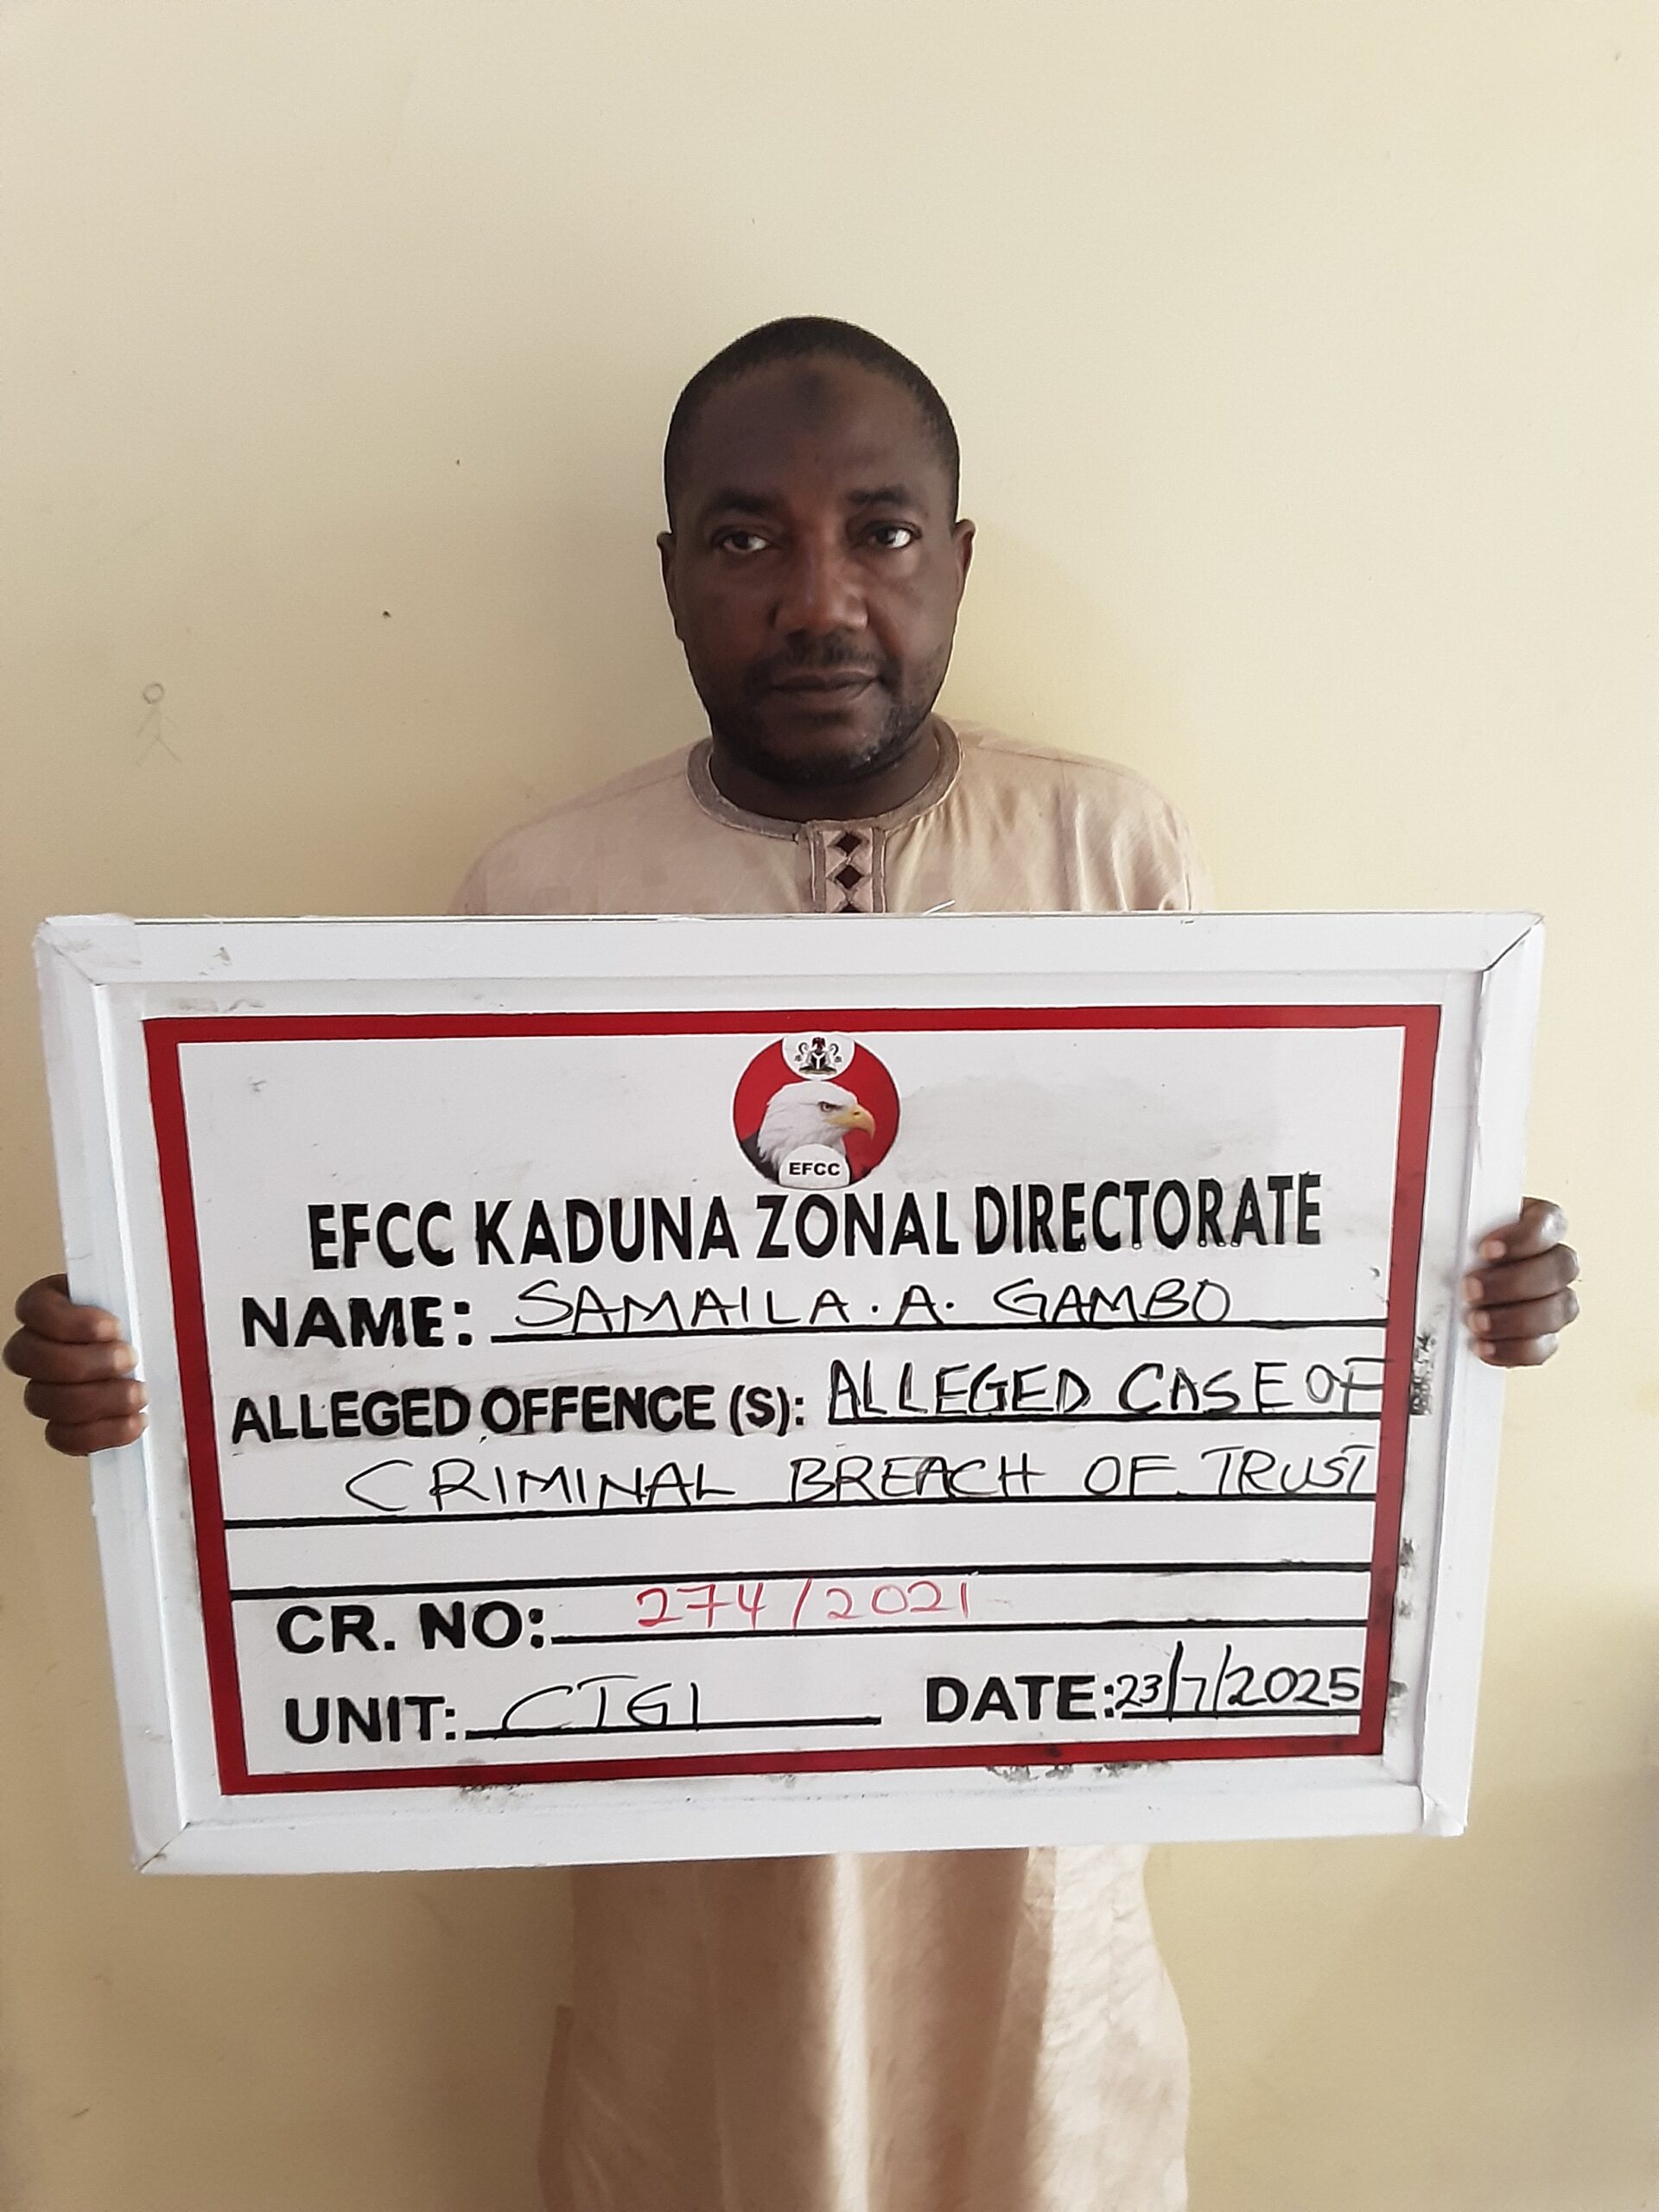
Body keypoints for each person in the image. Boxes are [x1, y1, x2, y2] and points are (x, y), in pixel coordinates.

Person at [4, 318, 1581, 2212]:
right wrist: (156, 1365)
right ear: (671, 572)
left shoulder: (1110, 851)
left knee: (1038, 2130)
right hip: (674, 1754)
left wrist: (1453, 1296)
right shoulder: (541, 897)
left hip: (1040, 1764)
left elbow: (1251, 1269)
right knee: (710, 2130)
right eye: (747, 538)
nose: (821, 599)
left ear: (959, 559)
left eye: (882, 533)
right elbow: (405, 1344)